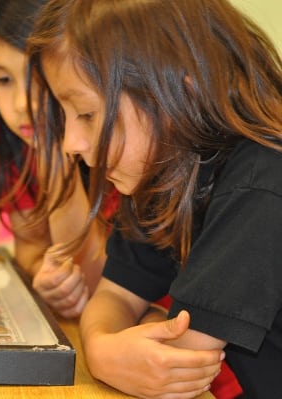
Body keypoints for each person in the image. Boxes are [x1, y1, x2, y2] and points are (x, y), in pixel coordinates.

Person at [27, 0, 282, 397]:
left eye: (87, 115)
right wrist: (101, 347)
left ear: (180, 92)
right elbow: (114, 295)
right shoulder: (166, 164)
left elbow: (180, 360)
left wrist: (145, 321)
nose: (70, 143)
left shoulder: (263, 180)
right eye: (66, 115)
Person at [0, 0, 114, 319]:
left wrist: (55, 159)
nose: (22, 104)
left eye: (38, 74)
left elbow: (96, 284)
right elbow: (31, 249)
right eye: (2, 80)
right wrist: (48, 279)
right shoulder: (13, 142)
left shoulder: (124, 144)